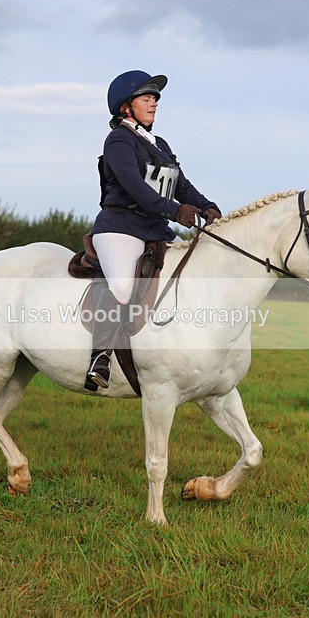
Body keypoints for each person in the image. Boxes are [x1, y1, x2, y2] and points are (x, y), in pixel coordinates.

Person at [85, 69, 222, 391]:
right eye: (147, 98)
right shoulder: (119, 140)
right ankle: (99, 357)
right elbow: (135, 187)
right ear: (126, 106)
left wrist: (207, 207)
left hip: (155, 229)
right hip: (120, 228)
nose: (154, 103)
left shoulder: (159, 144)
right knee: (122, 288)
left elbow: (181, 186)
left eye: (156, 98)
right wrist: (175, 211)